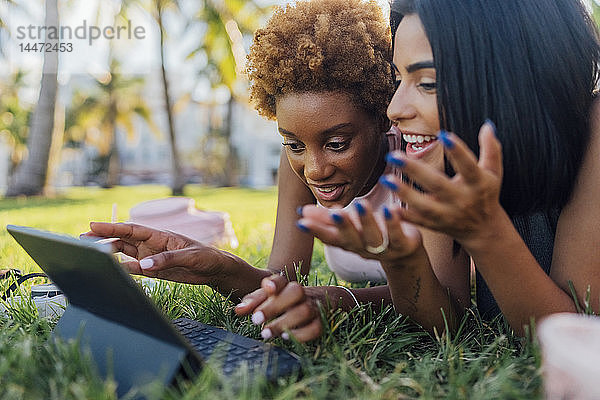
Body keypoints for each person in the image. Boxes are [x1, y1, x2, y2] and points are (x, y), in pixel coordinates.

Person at [246, 0, 600, 340]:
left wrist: (484, 231)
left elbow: (573, 336)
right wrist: (402, 261)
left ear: (511, 72)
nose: (394, 109)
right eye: (398, 79)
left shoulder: (593, 129)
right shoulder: (438, 148)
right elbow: (448, 321)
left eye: (427, 83)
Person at [85, 0, 399, 342]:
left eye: (337, 144)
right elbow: (284, 281)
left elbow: (448, 297)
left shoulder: (418, 155)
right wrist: (220, 268)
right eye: (294, 145)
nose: (314, 170)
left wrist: (343, 299)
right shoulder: (299, 162)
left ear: (384, 115)